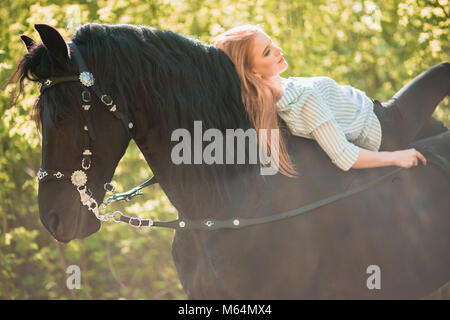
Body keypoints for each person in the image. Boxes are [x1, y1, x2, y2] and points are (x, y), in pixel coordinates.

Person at [212, 25, 449, 176]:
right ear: (253, 73)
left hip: (376, 117)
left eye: (271, 42)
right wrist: (396, 157)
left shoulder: (277, 94)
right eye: (267, 52)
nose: (278, 49)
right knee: (443, 74)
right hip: (386, 127)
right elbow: (344, 156)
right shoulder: (301, 101)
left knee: (441, 136)